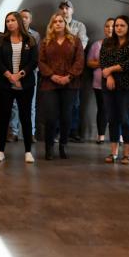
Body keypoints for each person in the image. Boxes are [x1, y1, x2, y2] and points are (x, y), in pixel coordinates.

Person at [38, 12, 85, 160]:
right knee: (51, 117)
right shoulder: (45, 42)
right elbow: (41, 61)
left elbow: (79, 61)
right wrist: (52, 76)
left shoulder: (75, 41)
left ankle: (63, 145)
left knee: (66, 117)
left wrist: (69, 77)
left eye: (61, 21)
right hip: (49, 83)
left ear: (65, 24)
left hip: (70, 84)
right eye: (55, 22)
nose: (58, 23)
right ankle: (49, 147)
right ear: (51, 25)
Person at [0, 12, 38, 163]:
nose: (9, 23)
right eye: (7, 21)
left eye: (12, 20)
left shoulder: (29, 40)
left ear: (19, 22)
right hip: (5, 84)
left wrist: (20, 75)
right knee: (4, 117)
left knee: (25, 117)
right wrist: (10, 76)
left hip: (25, 84)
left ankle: (28, 152)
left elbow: (34, 61)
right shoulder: (1, 40)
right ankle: (0, 151)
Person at [100, 15, 129, 165]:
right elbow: (103, 61)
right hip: (109, 84)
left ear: (128, 27)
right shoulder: (107, 42)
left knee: (125, 118)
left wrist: (110, 69)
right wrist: (109, 74)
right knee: (112, 118)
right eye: (116, 26)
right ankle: (113, 152)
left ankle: (128, 154)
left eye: (122, 25)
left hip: (128, 85)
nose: (118, 28)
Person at [10, 9, 41, 141]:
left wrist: (31, 71)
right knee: (14, 104)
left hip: (30, 74)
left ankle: (31, 133)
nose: (23, 19)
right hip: (14, 73)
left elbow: (37, 56)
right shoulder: (11, 33)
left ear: (30, 20)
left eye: (26, 17)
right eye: (21, 17)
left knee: (31, 105)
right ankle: (14, 132)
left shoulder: (35, 35)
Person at [59, 0, 88, 142]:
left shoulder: (79, 26)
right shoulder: (55, 24)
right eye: (62, 8)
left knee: (74, 102)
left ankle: (73, 130)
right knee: (58, 101)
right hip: (57, 69)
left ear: (72, 10)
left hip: (74, 69)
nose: (64, 11)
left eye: (67, 8)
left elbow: (82, 46)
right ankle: (58, 131)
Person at [86, 19, 115, 144]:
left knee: (117, 109)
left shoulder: (122, 45)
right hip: (99, 83)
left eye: (112, 26)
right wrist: (102, 63)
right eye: (107, 26)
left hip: (117, 83)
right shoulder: (97, 45)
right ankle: (101, 135)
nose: (110, 29)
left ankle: (118, 135)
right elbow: (89, 62)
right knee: (102, 108)